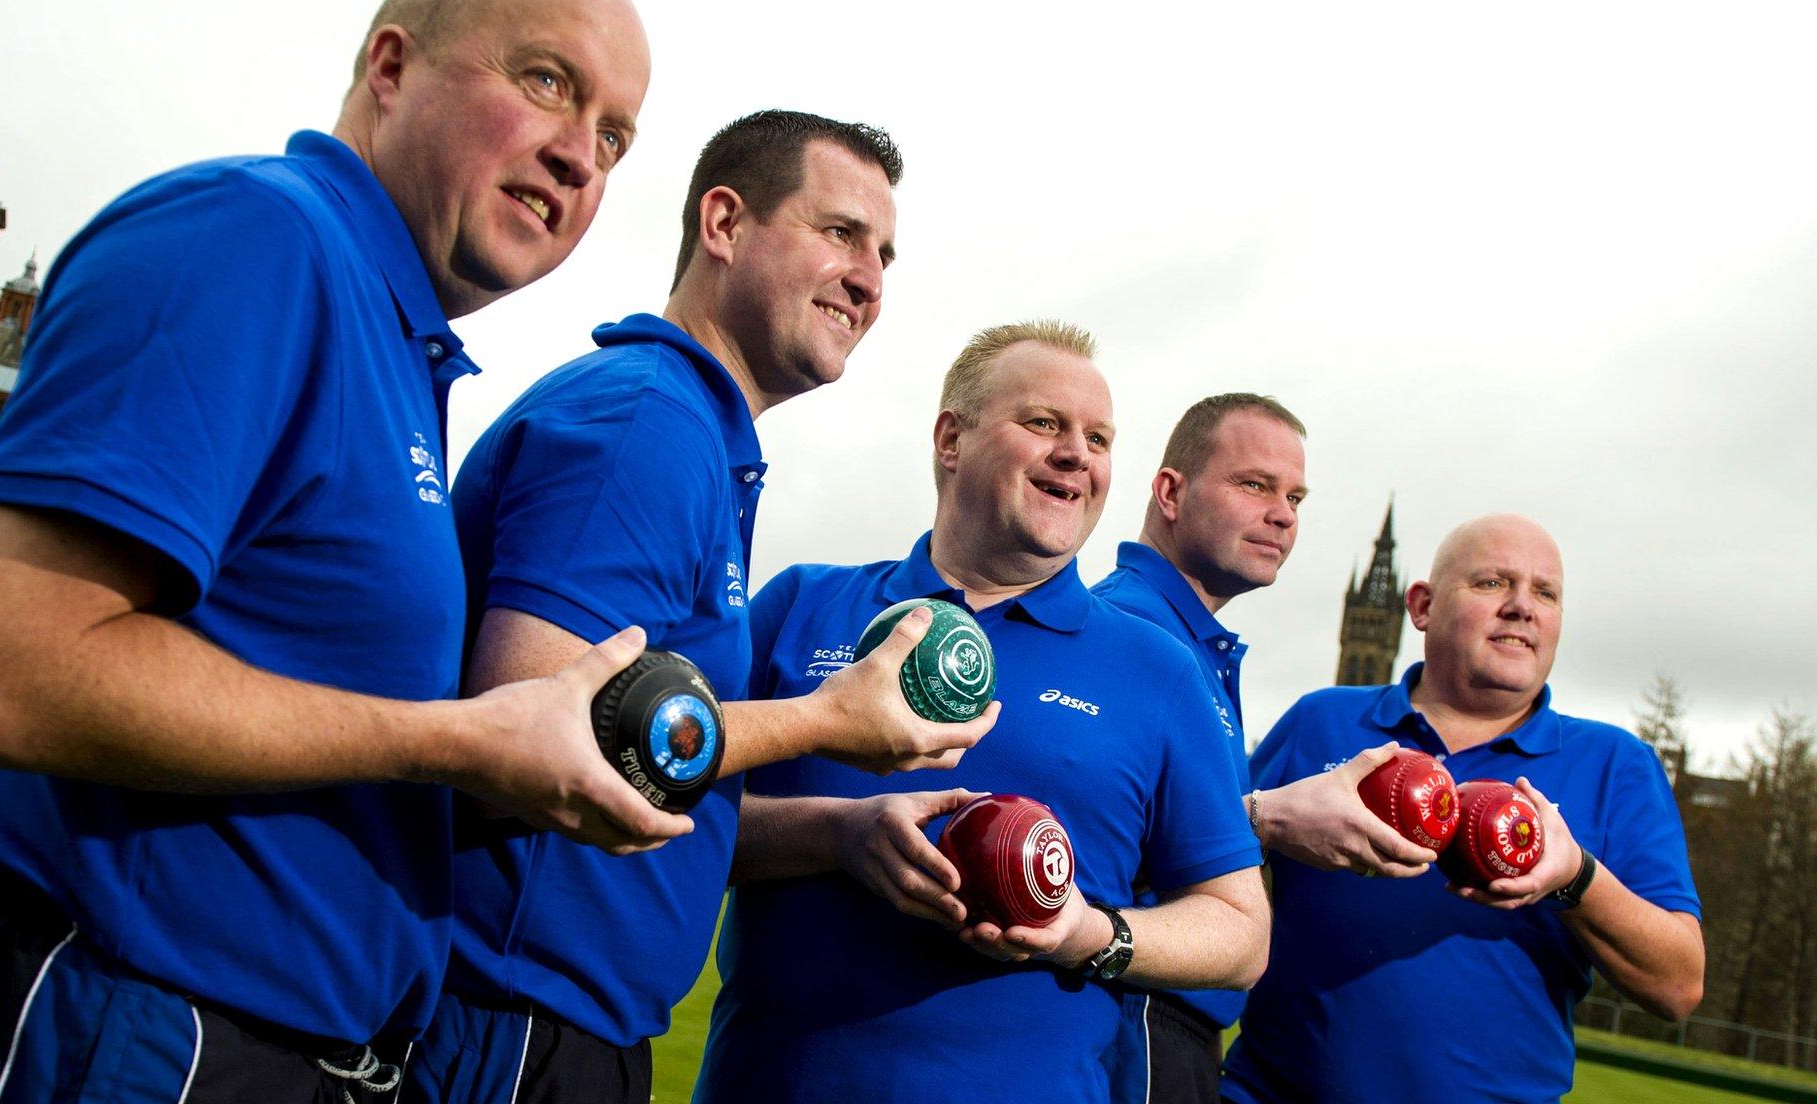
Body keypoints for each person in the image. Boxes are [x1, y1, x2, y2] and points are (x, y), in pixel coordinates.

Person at [0, 0, 671, 1101]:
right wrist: (457, 741)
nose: (581, 153)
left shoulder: (395, 338)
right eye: (544, 81)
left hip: (247, 1051)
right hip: (112, 1031)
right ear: (391, 65)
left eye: (616, 136)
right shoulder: (256, 239)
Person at [405, 110, 996, 1104]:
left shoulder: (699, 440)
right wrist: (821, 720)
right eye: (840, 233)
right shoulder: (649, 424)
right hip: (506, 1027)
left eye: (885, 255)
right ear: (723, 223)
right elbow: (523, 748)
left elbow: (660, 777)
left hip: (561, 1036)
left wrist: (837, 833)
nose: (869, 280)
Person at [694, 322, 1270, 1104]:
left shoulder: (1157, 670)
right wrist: (838, 835)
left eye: (1099, 438)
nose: (1078, 454)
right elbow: (671, 809)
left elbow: (1240, 932)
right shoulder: (802, 603)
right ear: (950, 438)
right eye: (1043, 423)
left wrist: (1087, 934)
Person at [1222, 514, 1706, 1104]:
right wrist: (1265, 818)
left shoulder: (1618, 766)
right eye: (1492, 583)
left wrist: (1576, 877)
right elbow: (1186, 858)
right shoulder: (1320, 720)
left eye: (1545, 593)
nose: (1522, 606)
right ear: (1422, 607)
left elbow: (1679, 986)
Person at [1093, 393, 1439, 1100]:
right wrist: (1272, 818)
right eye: (1255, 485)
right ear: (1170, 492)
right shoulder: (1134, 634)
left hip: (1173, 1022)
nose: (1283, 514)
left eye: (1296, 497)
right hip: (1139, 1012)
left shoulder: (1190, 642)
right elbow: (1087, 842)